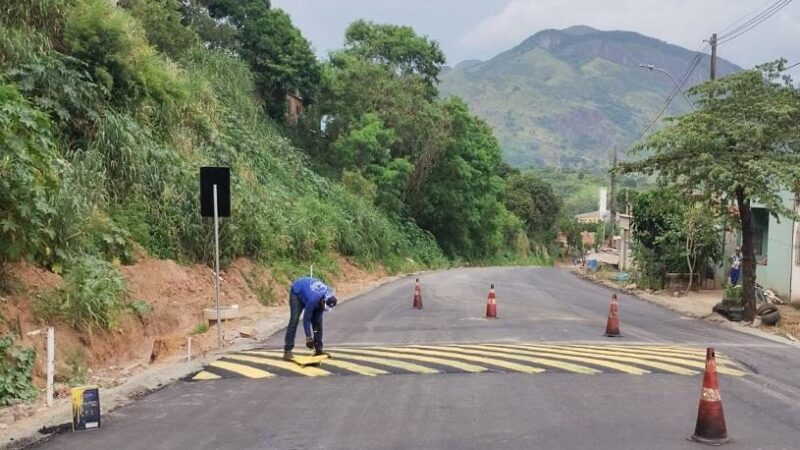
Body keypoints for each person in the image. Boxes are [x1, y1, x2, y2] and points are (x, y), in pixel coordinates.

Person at [283, 276, 338, 361]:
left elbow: (317, 320)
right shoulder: (312, 300)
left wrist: (315, 336)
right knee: (294, 319)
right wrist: (309, 337)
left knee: (318, 322)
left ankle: (318, 349)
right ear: (323, 301)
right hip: (298, 292)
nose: (324, 309)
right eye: (324, 307)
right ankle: (287, 350)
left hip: (310, 293)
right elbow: (306, 319)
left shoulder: (328, 295)